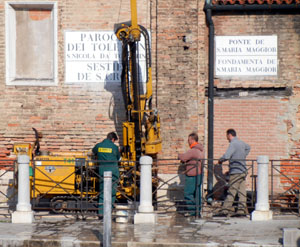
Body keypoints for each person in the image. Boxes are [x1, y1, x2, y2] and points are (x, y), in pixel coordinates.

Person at [218, 129, 251, 216]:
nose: (227, 139)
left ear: (229, 135)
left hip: (235, 171)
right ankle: (241, 211)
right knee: (242, 192)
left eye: (227, 136)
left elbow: (227, 156)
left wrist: (220, 160)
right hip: (243, 170)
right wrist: (243, 156)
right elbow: (248, 147)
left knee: (231, 191)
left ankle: (224, 211)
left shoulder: (233, 144)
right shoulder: (241, 143)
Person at [92, 132, 121, 216]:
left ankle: (101, 212)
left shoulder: (99, 146)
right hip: (113, 171)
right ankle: (108, 212)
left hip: (102, 171)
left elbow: (93, 152)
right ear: (113, 139)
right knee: (112, 191)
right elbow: (118, 158)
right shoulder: (114, 147)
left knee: (102, 191)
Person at [178, 133, 204, 216]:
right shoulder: (201, 150)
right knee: (197, 193)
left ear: (192, 140)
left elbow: (184, 157)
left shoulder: (193, 150)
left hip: (192, 175)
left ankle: (192, 211)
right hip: (199, 174)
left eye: (189, 140)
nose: (188, 142)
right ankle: (197, 211)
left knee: (188, 193)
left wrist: (179, 155)